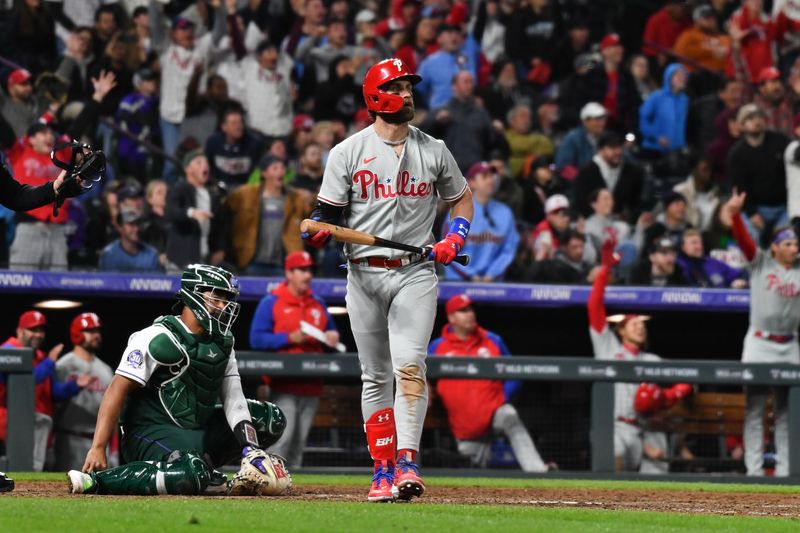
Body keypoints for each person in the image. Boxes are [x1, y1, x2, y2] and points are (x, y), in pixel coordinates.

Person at [302, 58, 473, 502]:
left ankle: (408, 463)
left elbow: (462, 199)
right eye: (398, 87)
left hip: (416, 273)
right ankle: (381, 469)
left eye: (409, 87)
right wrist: (321, 230)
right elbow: (327, 216)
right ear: (378, 97)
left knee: (411, 367)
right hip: (363, 274)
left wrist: (454, 238)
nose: (408, 94)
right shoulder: (347, 152)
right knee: (375, 375)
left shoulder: (433, 148)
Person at [66, 264, 289, 496]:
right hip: (151, 431)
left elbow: (234, 398)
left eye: (226, 298)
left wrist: (251, 449)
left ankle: (202, 469)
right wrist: (98, 447)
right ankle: (96, 481)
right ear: (193, 294)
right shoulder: (158, 338)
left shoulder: (223, 341)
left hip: (198, 429)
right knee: (190, 474)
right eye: (216, 297)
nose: (223, 306)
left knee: (269, 419)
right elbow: (116, 390)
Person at [588, 242, 693, 471]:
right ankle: (608, 502)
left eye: (642, 324)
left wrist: (667, 396)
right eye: (634, 324)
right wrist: (605, 271)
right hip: (612, 427)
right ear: (622, 330)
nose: (640, 327)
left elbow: (688, 380)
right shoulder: (608, 348)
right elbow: (594, 307)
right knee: (613, 450)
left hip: (643, 429)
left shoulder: (652, 360)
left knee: (657, 462)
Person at [724, 191, 800, 477]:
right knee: (754, 409)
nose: (794, 248)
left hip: (790, 345)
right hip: (759, 342)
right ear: (775, 248)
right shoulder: (761, 263)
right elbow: (744, 241)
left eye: (795, 243)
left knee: (787, 412)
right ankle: (753, 471)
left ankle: (785, 471)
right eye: (789, 244)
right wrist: (734, 215)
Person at [429, 294, 550, 472]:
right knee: (471, 474)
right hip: (465, 425)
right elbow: (420, 374)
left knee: (509, 415)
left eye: (471, 309)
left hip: (494, 414)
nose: (470, 314)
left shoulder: (492, 340)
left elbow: (515, 372)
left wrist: (501, 397)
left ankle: (538, 471)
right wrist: (427, 388)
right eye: (463, 311)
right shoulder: (437, 347)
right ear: (451, 318)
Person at [249, 251, 340, 469]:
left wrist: (333, 337)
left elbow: (331, 334)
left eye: (310, 270)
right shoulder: (271, 301)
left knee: (298, 445)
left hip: (312, 384)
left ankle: (292, 495)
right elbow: (256, 339)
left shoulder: (317, 303)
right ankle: (269, 484)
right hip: (283, 385)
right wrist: (289, 338)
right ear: (289, 273)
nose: (308, 275)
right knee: (281, 442)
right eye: (302, 270)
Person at [0, 311, 94, 471]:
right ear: (20, 331)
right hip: (8, 424)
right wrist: (50, 362)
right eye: (33, 330)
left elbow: (54, 393)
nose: (38, 334)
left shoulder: (41, 357)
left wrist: (74, 385)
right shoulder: (7, 350)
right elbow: (25, 383)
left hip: (35, 428)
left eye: (41, 330)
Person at [224, 155, 309, 275]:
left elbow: (314, 209)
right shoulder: (245, 195)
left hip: (282, 265)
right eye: (275, 168)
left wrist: (310, 197)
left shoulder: (296, 199)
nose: (281, 171)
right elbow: (225, 207)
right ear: (264, 173)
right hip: (251, 262)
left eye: (282, 167)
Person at [54, 313, 114, 471]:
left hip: (98, 442)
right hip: (69, 439)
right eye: (90, 331)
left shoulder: (106, 370)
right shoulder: (64, 366)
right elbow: (52, 401)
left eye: (98, 331)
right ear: (76, 334)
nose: (96, 335)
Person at [442, 162, 518, 281]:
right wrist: (470, 275)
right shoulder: (458, 210)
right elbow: (447, 249)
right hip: (459, 282)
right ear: (471, 183)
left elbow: (509, 249)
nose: (491, 180)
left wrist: (491, 275)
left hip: (493, 284)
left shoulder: (505, 212)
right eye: (484, 177)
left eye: (492, 176)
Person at [726, 104, 790, 242]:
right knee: (751, 241)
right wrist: (752, 213)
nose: (757, 121)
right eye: (750, 118)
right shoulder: (737, 154)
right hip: (756, 209)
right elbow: (739, 187)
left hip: (785, 207)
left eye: (759, 116)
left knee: (787, 241)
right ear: (741, 125)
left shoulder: (781, 141)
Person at [164, 150, 226, 270]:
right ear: (188, 169)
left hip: (204, 257)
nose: (205, 165)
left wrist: (219, 248)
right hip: (181, 259)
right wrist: (191, 213)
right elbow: (170, 212)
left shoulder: (212, 194)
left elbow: (219, 224)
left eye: (206, 162)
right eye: (199, 162)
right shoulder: (180, 188)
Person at [573, 131, 645, 224]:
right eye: (612, 148)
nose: (618, 152)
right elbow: (580, 203)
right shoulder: (586, 173)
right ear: (600, 150)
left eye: (619, 147)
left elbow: (635, 203)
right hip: (592, 225)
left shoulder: (632, 172)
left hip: (622, 227)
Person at [205, 108, 264, 189]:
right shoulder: (213, 142)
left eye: (240, 122)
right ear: (224, 127)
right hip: (219, 188)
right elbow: (208, 167)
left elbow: (258, 171)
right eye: (234, 123)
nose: (238, 126)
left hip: (245, 189)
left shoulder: (254, 143)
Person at [638, 63, 689, 157]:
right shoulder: (656, 97)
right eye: (678, 75)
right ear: (669, 77)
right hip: (654, 149)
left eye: (684, 75)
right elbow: (643, 120)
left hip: (676, 150)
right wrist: (656, 137)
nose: (682, 78)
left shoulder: (684, 100)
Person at [554, 102, 608, 180]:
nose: (601, 123)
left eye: (603, 119)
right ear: (585, 121)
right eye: (597, 120)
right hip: (579, 186)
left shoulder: (607, 137)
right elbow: (563, 166)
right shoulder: (573, 138)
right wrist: (582, 179)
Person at [677, 229, 747, 288]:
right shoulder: (678, 266)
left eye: (700, 242)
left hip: (720, 302)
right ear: (683, 247)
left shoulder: (713, 263)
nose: (698, 246)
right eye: (694, 243)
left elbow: (740, 274)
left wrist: (740, 280)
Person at [98, 208, 162, 273]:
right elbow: (108, 281)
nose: (136, 229)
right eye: (131, 224)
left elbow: (157, 281)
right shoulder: (109, 254)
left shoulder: (151, 254)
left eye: (138, 224)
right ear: (119, 227)